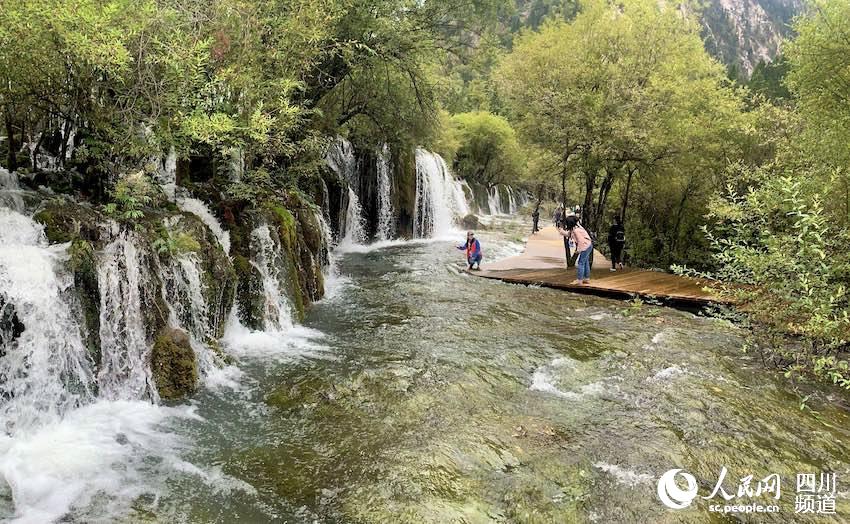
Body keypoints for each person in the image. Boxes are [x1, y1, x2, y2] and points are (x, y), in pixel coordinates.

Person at [558, 215, 593, 284]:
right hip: (588, 245)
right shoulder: (577, 228)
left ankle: (579, 280)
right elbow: (569, 234)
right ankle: (586, 278)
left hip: (585, 246)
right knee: (585, 262)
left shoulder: (576, 230)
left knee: (581, 263)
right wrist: (562, 232)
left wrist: (578, 250)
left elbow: (581, 241)